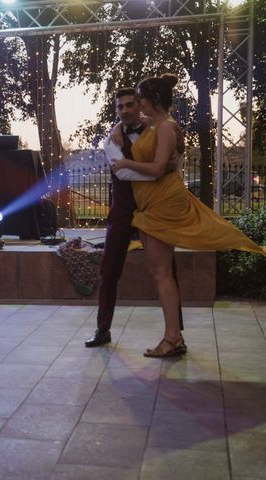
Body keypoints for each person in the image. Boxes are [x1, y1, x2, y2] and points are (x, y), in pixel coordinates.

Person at [110, 73, 266, 357]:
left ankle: (172, 338)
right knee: (161, 273)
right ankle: (174, 336)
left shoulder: (166, 128)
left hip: (162, 203)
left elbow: (158, 169)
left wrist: (125, 162)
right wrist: (119, 127)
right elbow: (162, 159)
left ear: (153, 99)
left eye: (141, 98)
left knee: (161, 274)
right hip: (152, 203)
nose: (139, 103)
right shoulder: (156, 125)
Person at [85, 88, 183, 348]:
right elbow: (124, 175)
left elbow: (174, 151)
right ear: (116, 110)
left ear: (140, 104)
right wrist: (160, 170)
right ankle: (102, 329)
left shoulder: (156, 129)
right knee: (109, 269)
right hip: (124, 210)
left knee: (167, 270)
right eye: (120, 107)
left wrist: (168, 165)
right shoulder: (112, 141)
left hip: (153, 207)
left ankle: (176, 335)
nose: (125, 110)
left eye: (130, 105)